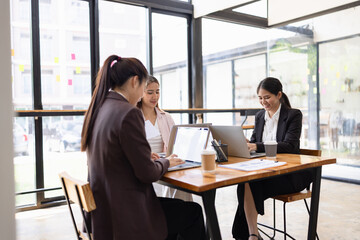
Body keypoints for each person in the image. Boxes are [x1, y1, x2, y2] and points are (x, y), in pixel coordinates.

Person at [81, 55, 206, 240]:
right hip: (128, 213)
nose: (142, 95)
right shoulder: (129, 112)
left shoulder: (100, 107)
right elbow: (147, 174)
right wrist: (166, 162)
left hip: (104, 211)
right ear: (134, 81)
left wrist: (146, 156)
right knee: (193, 212)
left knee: (177, 213)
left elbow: (116, 155)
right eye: (144, 89)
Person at [232, 77, 314, 240]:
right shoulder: (260, 116)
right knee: (246, 182)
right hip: (266, 170)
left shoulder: (293, 115)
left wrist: (257, 146)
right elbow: (256, 141)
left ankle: (248, 234)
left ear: (278, 95)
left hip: (289, 174)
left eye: (267, 97)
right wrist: (248, 144)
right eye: (260, 98)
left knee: (250, 184)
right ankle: (252, 234)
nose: (263, 102)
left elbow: (289, 145)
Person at [137, 76, 192, 201]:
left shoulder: (166, 117)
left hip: (166, 164)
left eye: (157, 92)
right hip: (147, 166)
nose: (155, 96)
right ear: (141, 93)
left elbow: (176, 144)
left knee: (182, 190)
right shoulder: (134, 117)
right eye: (150, 92)